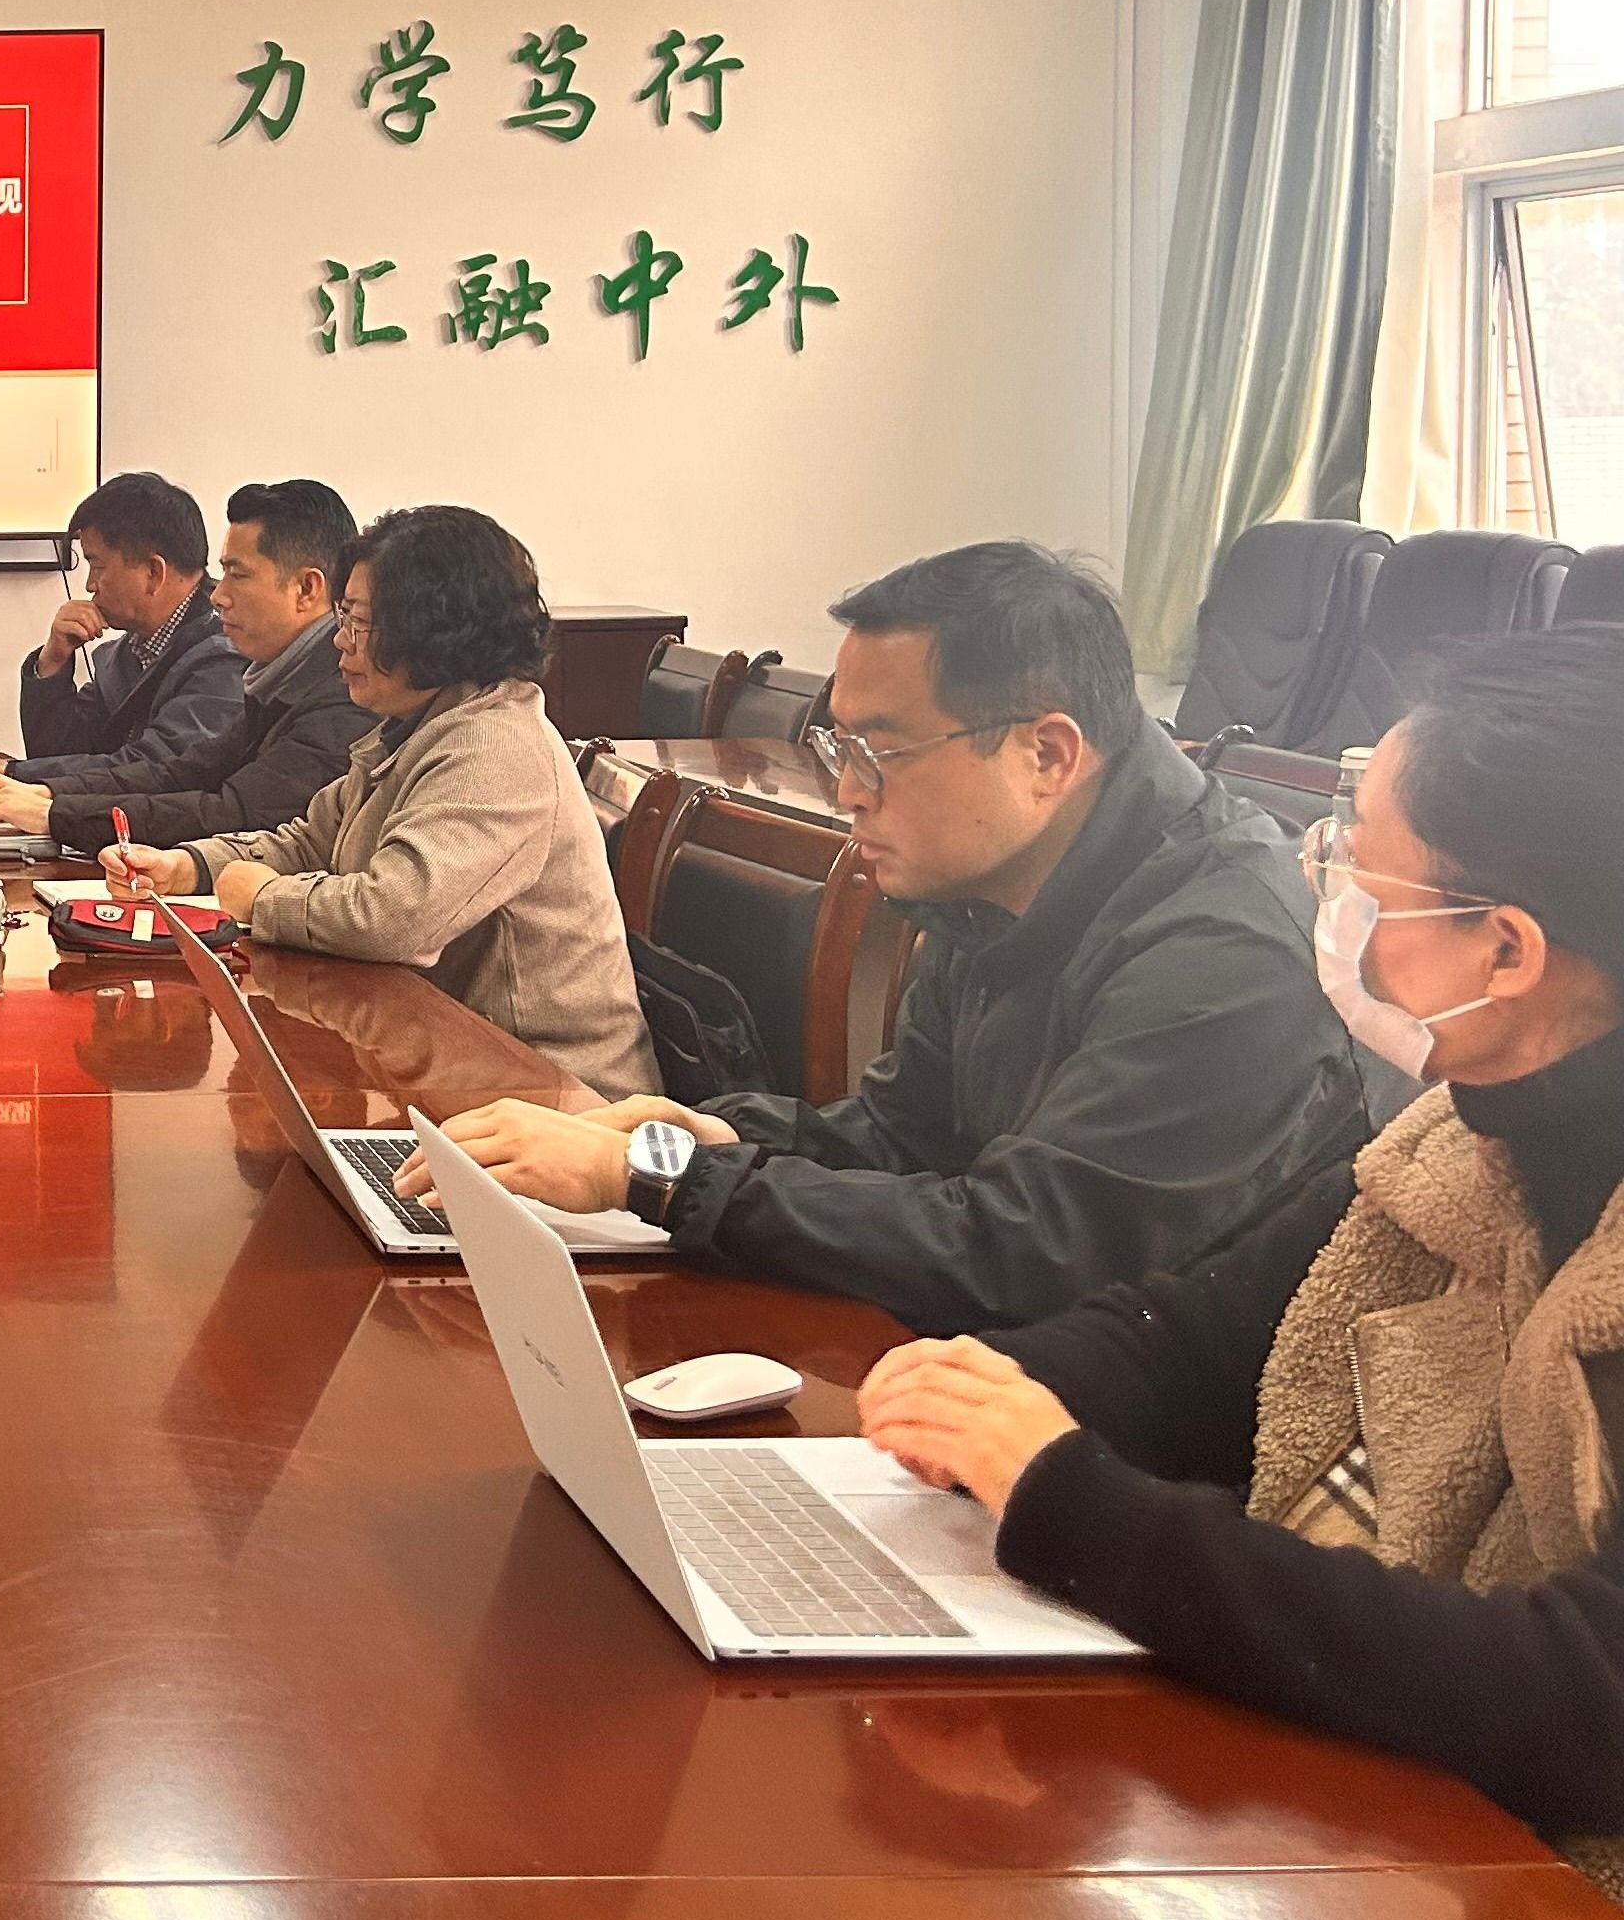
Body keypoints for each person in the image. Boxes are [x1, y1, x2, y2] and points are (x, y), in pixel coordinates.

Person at [854, 626, 1624, 1896]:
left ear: (1508, 950)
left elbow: (1584, 1704)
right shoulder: (1459, 1134)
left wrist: (1071, 1504)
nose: (1330, 891)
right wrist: (975, 1387)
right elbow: (1204, 1337)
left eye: (1363, 868)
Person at [408, 540, 1366, 1334]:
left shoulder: (1227, 950)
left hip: (1137, 1447)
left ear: (1047, 754)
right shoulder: (993, 883)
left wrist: (662, 1181)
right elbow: (903, 1136)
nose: (847, 790)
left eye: (880, 752)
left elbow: (1027, 1251)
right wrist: (706, 1135)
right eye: (839, 746)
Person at [101, 505, 656, 1098]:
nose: (340, 640)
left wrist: (262, 899)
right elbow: (312, 840)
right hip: (455, 1060)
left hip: (556, 1092)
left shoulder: (494, 745)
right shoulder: (419, 725)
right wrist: (189, 867)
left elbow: (392, 917)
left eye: (358, 622)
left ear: (432, 629)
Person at [0, 478, 375, 852]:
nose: (219, 595)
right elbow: (176, 773)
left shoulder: (340, 695)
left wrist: (51, 811)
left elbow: (236, 812)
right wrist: (41, 792)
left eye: (238, 575)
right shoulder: (277, 679)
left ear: (307, 589)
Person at [0, 471, 244, 794]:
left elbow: (156, 769)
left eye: (98, 566)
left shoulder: (225, 653)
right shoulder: (130, 651)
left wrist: (5, 773)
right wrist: (54, 660)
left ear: (153, 572)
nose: (90, 585)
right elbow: (63, 755)